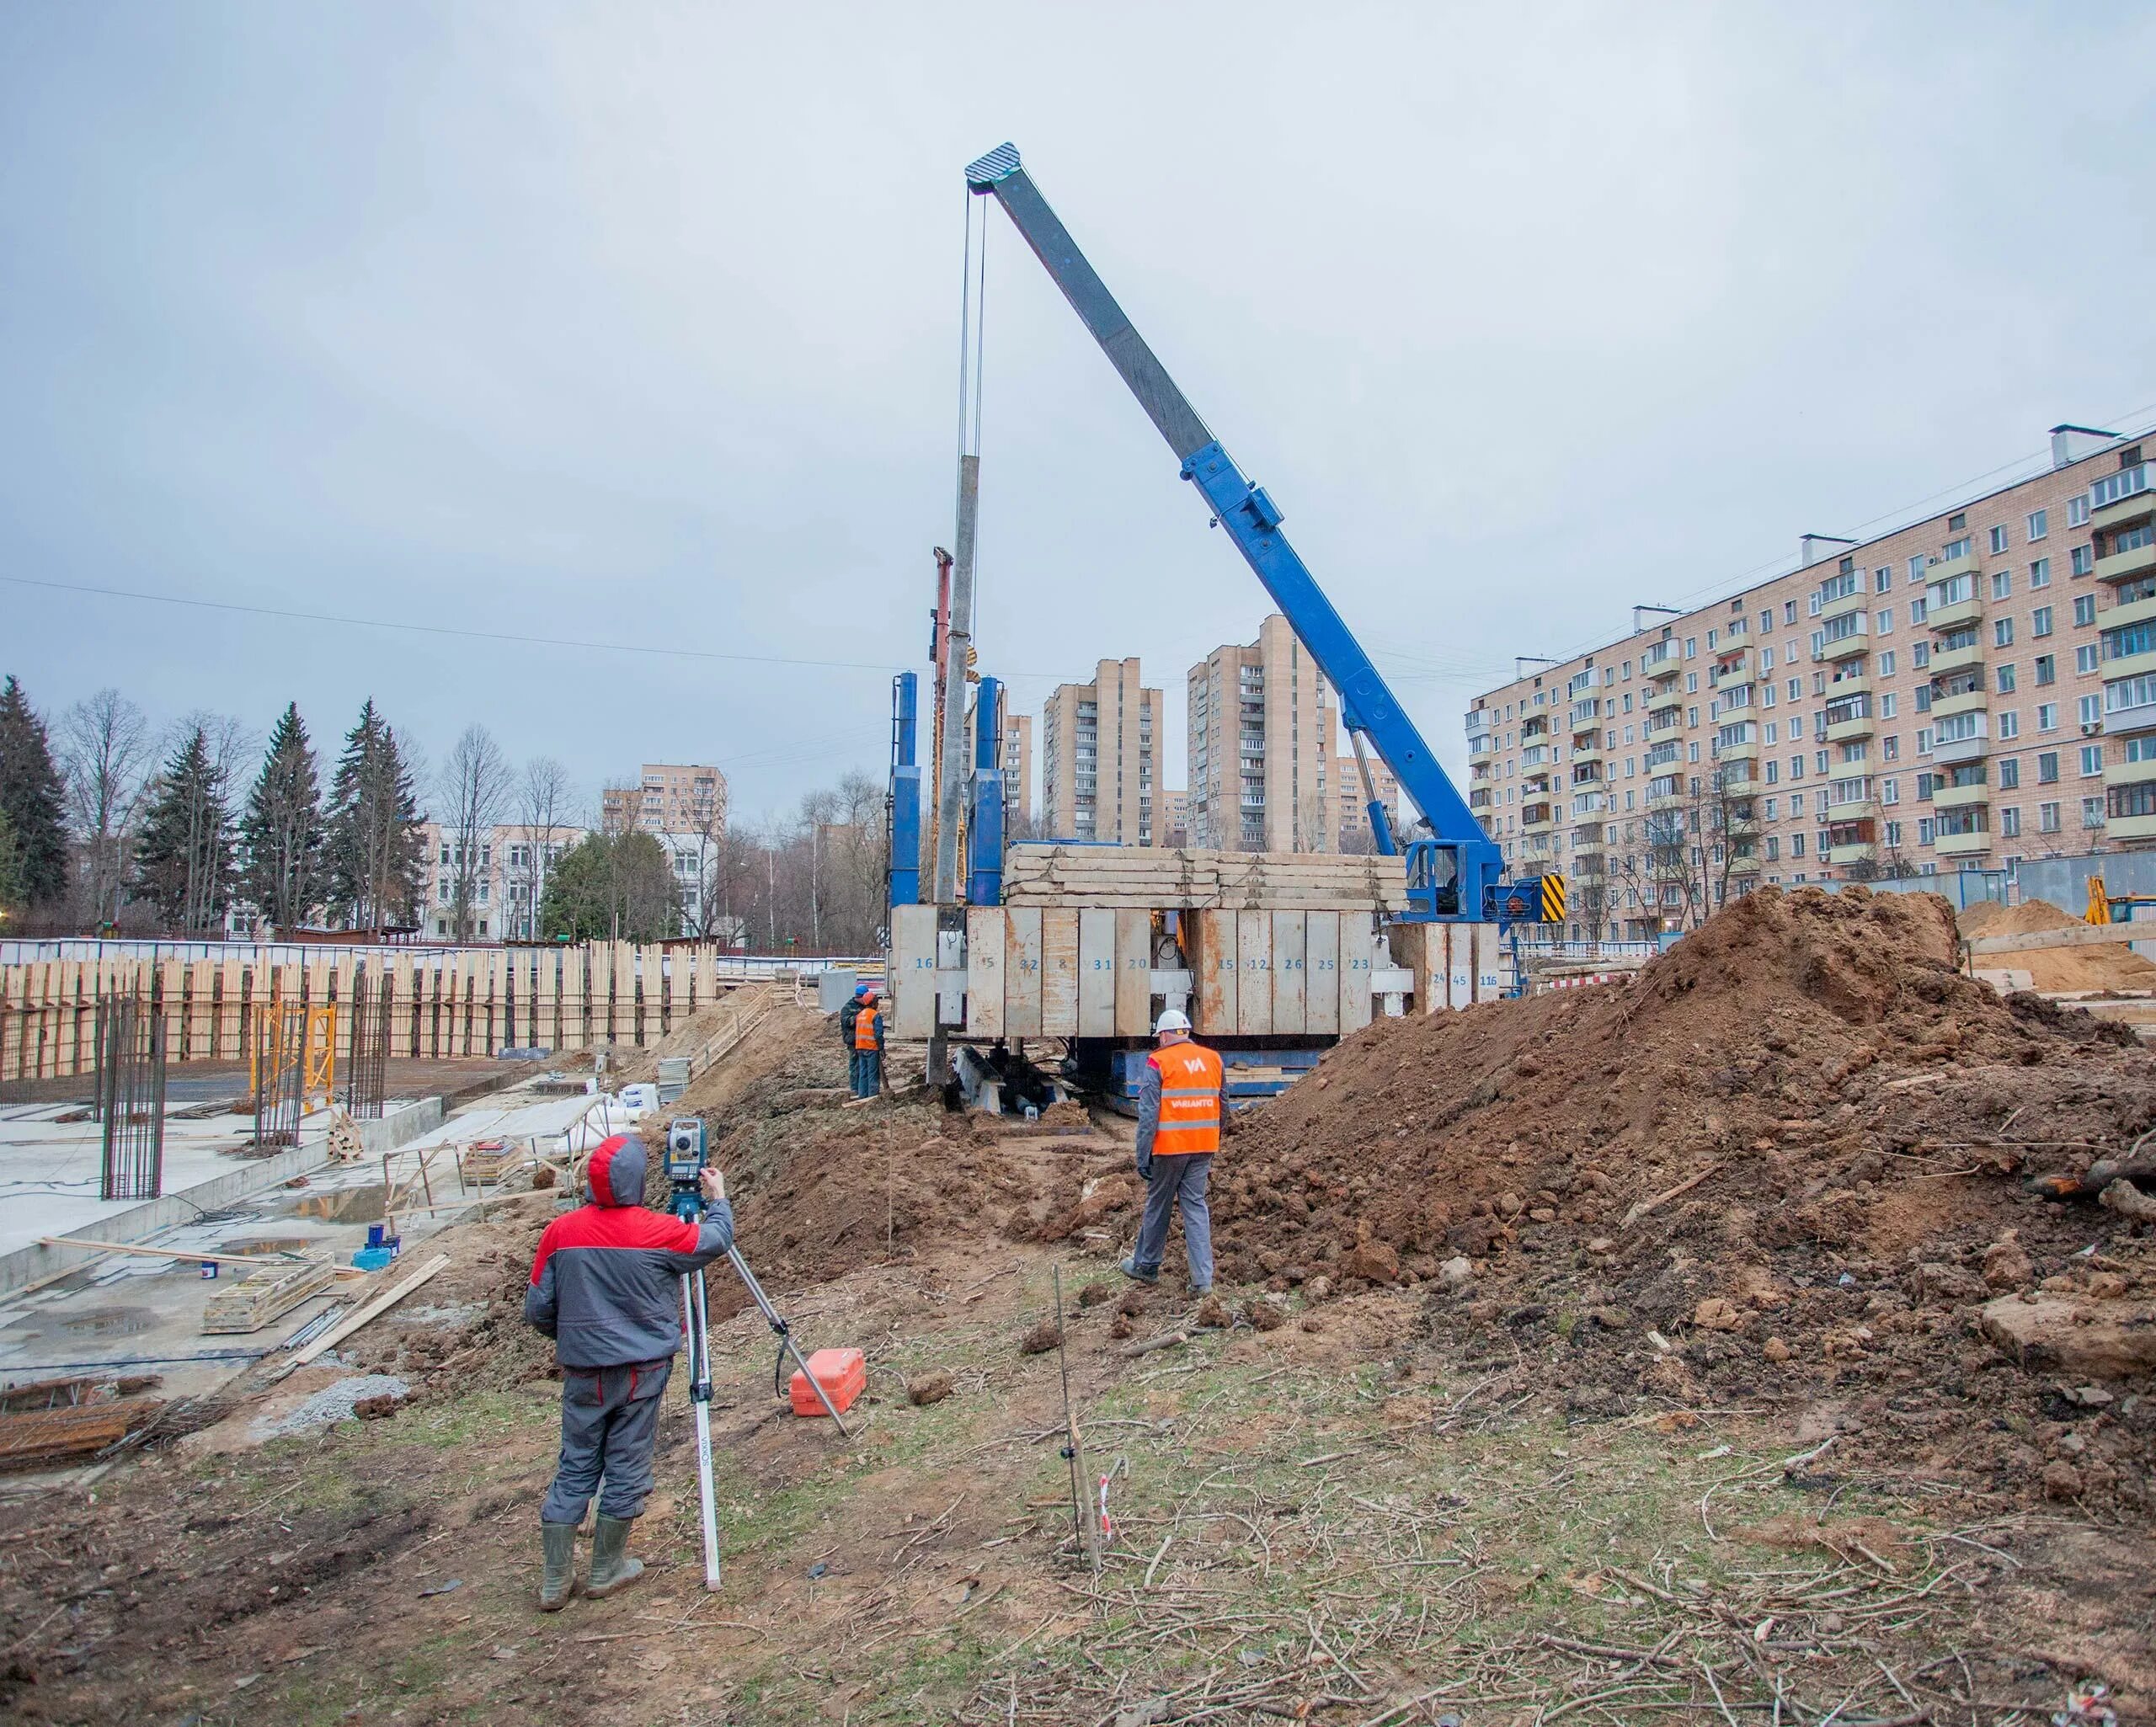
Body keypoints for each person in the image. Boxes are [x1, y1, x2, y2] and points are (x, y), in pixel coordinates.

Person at [524, 1131, 733, 1611]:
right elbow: (716, 1240)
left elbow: (538, 1309)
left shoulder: (560, 1233)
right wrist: (718, 1199)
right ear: (638, 1181)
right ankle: (605, 1568)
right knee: (626, 1462)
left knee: (576, 1463)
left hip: (583, 1371)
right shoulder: (657, 1230)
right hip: (642, 1369)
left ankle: (555, 1582)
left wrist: (578, 1337)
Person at [1120, 1008, 1226, 1296]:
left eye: (1159, 1037)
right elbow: (1223, 1104)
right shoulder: (1213, 1059)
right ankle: (1203, 1281)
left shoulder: (1159, 1061)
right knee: (1195, 1206)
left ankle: (1146, 1266)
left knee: (1159, 1204)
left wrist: (1143, 1156)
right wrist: (1214, 1137)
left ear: (1164, 1035)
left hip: (1170, 1148)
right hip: (1204, 1145)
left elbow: (1148, 1114)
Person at [851, 986, 885, 1098]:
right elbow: (878, 1034)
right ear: (873, 1003)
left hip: (860, 1047)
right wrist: (881, 1048)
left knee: (863, 1074)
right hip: (871, 1048)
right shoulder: (875, 1015)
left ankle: (862, 1096)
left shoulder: (860, 1015)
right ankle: (872, 1097)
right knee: (872, 1074)